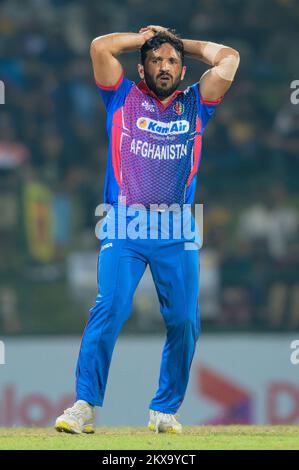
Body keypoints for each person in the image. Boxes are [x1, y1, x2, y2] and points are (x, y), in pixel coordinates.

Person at [55, 25, 239, 434]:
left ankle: (164, 409)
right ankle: (85, 405)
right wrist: (146, 38)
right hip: (124, 223)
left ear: (183, 69)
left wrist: (180, 43)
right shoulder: (121, 97)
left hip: (177, 228)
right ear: (141, 67)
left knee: (184, 320)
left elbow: (230, 58)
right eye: (155, 60)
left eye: (172, 61)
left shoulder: (196, 103)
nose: (165, 66)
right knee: (112, 306)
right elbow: (100, 46)